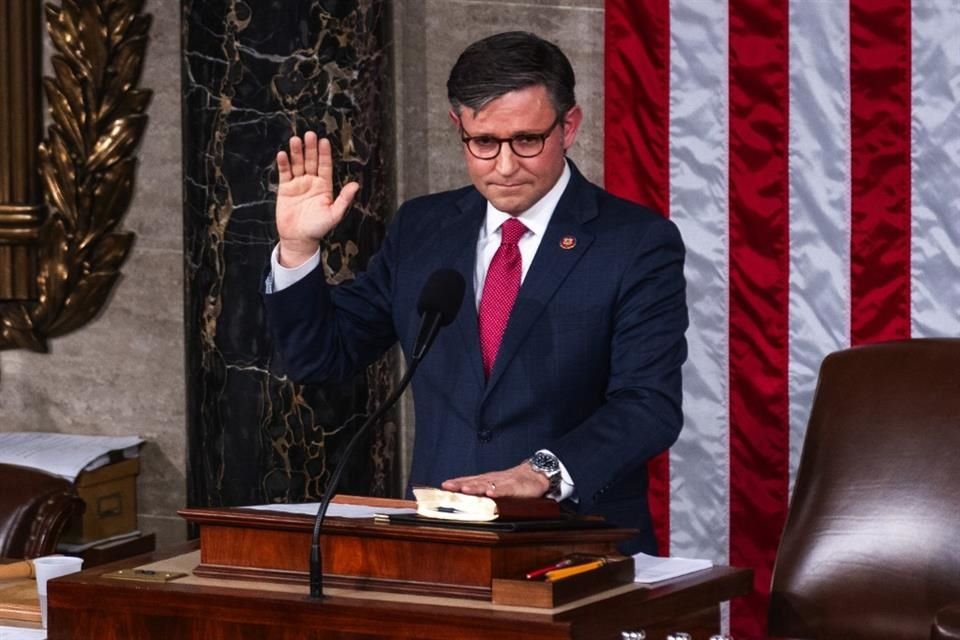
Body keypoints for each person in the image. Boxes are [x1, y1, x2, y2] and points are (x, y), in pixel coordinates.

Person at [264, 31, 687, 555]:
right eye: (484, 143)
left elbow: (649, 406)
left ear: (569, 127)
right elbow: (321, 357)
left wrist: (541, 471)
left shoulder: (636, 242)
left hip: (575, 542)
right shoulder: (423, 228)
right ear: (458, 128)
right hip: (440, 543)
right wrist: (297, 248)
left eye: (527, 140)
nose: (505, 166)